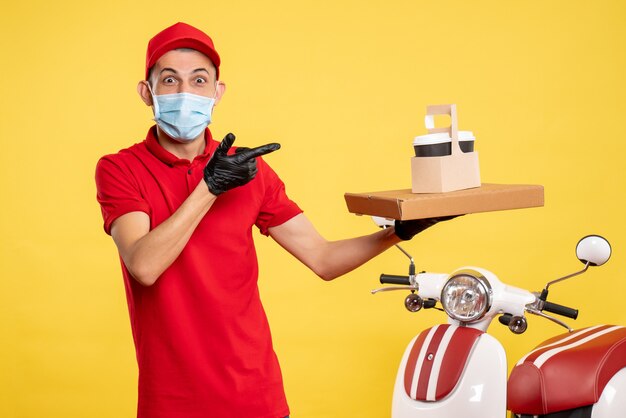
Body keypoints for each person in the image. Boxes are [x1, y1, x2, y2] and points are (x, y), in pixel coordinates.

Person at [95, 22, 454, 418]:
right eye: (169, 80)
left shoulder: (250, 171)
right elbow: (144, 266)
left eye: (199, 80)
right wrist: (209, 187)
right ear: (147, 93)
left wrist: (399, 231)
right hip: (173, 402)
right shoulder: (120, 169)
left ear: (217, 92)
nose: (185, 92)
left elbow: (323, 259)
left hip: (256, 395)